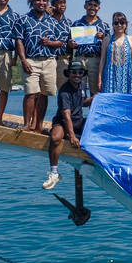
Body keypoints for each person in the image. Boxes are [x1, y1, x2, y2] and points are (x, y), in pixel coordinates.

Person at [13, 0, 62, 133]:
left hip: (49, 60)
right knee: (30, 93)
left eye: (44, 0)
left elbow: (59, 42)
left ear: (47, 3)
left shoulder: (53, 21)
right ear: (32, 1)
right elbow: (19, 41)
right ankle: (27, 124)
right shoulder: (23, 19)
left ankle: (39, 125)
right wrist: (23, 60)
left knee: (45, 94)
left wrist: (49, 43)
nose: (41, 2)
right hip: (31, 60)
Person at [43, 60, 90, 190]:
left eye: (80, 72)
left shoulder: (82, 85)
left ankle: (92, 159)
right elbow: (66, 116)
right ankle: (54, 172)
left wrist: (90, 101)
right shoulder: (64, 91)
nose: (77, 74)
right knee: (55, 138)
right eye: (74, 72)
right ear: (69, 73)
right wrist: (72, 136)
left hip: (78, 120)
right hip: (63, 121)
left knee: (97, 129)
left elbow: (82, 102)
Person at [71, 0, 110, 96]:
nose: (92, 7)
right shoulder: (76, 24)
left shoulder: (104, 25)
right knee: (77, 90)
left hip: (96, 60)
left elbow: (109, 45)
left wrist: (103, 37)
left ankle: (93, 112)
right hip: (80, 58)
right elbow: (70, 44)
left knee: (96, 90)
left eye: (95, 5)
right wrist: (71, 44)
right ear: (85, 6)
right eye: (90, 4)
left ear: (99, 8)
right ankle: (77, 112)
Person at [99, 12, 132, 94]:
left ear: (126, 24)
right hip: (109, 76)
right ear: (113, 25)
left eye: (122, 23)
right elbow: (102, 60)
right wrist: (99, 79)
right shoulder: (106, 39)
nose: (119, 25)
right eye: (116, 23)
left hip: (126, 76)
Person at [49, 0, 73, 90]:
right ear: (53, 5)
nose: (62, 4)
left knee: (64, 91)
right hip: (49, 60)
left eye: (64, 2)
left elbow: (73, 44)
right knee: (44, 92)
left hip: (64, 60)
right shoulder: (46, 20)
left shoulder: (69, 22)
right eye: (59, 2)